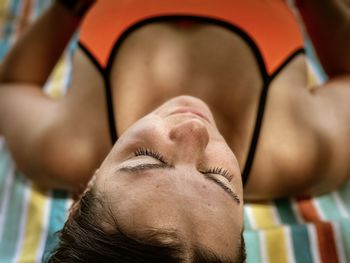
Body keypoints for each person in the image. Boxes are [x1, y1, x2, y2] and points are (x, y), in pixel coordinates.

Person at [0, 0, 349, 262]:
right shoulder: (303, 153)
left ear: (81, 197)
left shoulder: (64, 146)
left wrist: (68, 7)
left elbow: (11, 86)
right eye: (218, 178)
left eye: (145, 160)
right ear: (241, 229)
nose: (195, 129)